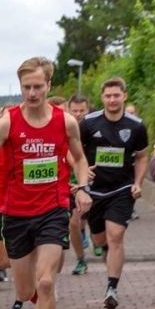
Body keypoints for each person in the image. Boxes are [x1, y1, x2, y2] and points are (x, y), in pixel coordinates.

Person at [0, 56, 92, 309]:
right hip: (15, 213)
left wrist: (81, 188)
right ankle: (45, 302)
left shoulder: (65, 122)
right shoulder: (8, 122)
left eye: (38, 86)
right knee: (26, 291)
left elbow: (80, 160)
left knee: (45, 283)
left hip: (53, 209)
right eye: (26, 87)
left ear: (49, 86)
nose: (32, 93)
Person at [80, 77, 149, 309]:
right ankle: (107, 251)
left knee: (116, 235)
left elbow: (141, 157)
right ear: (102, 98)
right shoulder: (89, 123)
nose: (112, 100)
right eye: (108, 96)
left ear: (124, 96)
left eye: (116, 95)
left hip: (121, 189)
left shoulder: (136, 125)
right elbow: (75, 153)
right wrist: (82, 171)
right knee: (101, 240)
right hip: (94, 191)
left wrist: (138, 182)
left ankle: (112, 288)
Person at [66, 95, 92, 275]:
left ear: (88, 110)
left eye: (82, 110)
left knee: (93, 221)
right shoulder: (64, 129)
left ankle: (97, 239)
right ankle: (81, 259)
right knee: (73, 223)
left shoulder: (94, 128)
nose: (78, 114)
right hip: (69, 185)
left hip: (93, 181)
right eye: (74, 111)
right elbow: (72, 159)